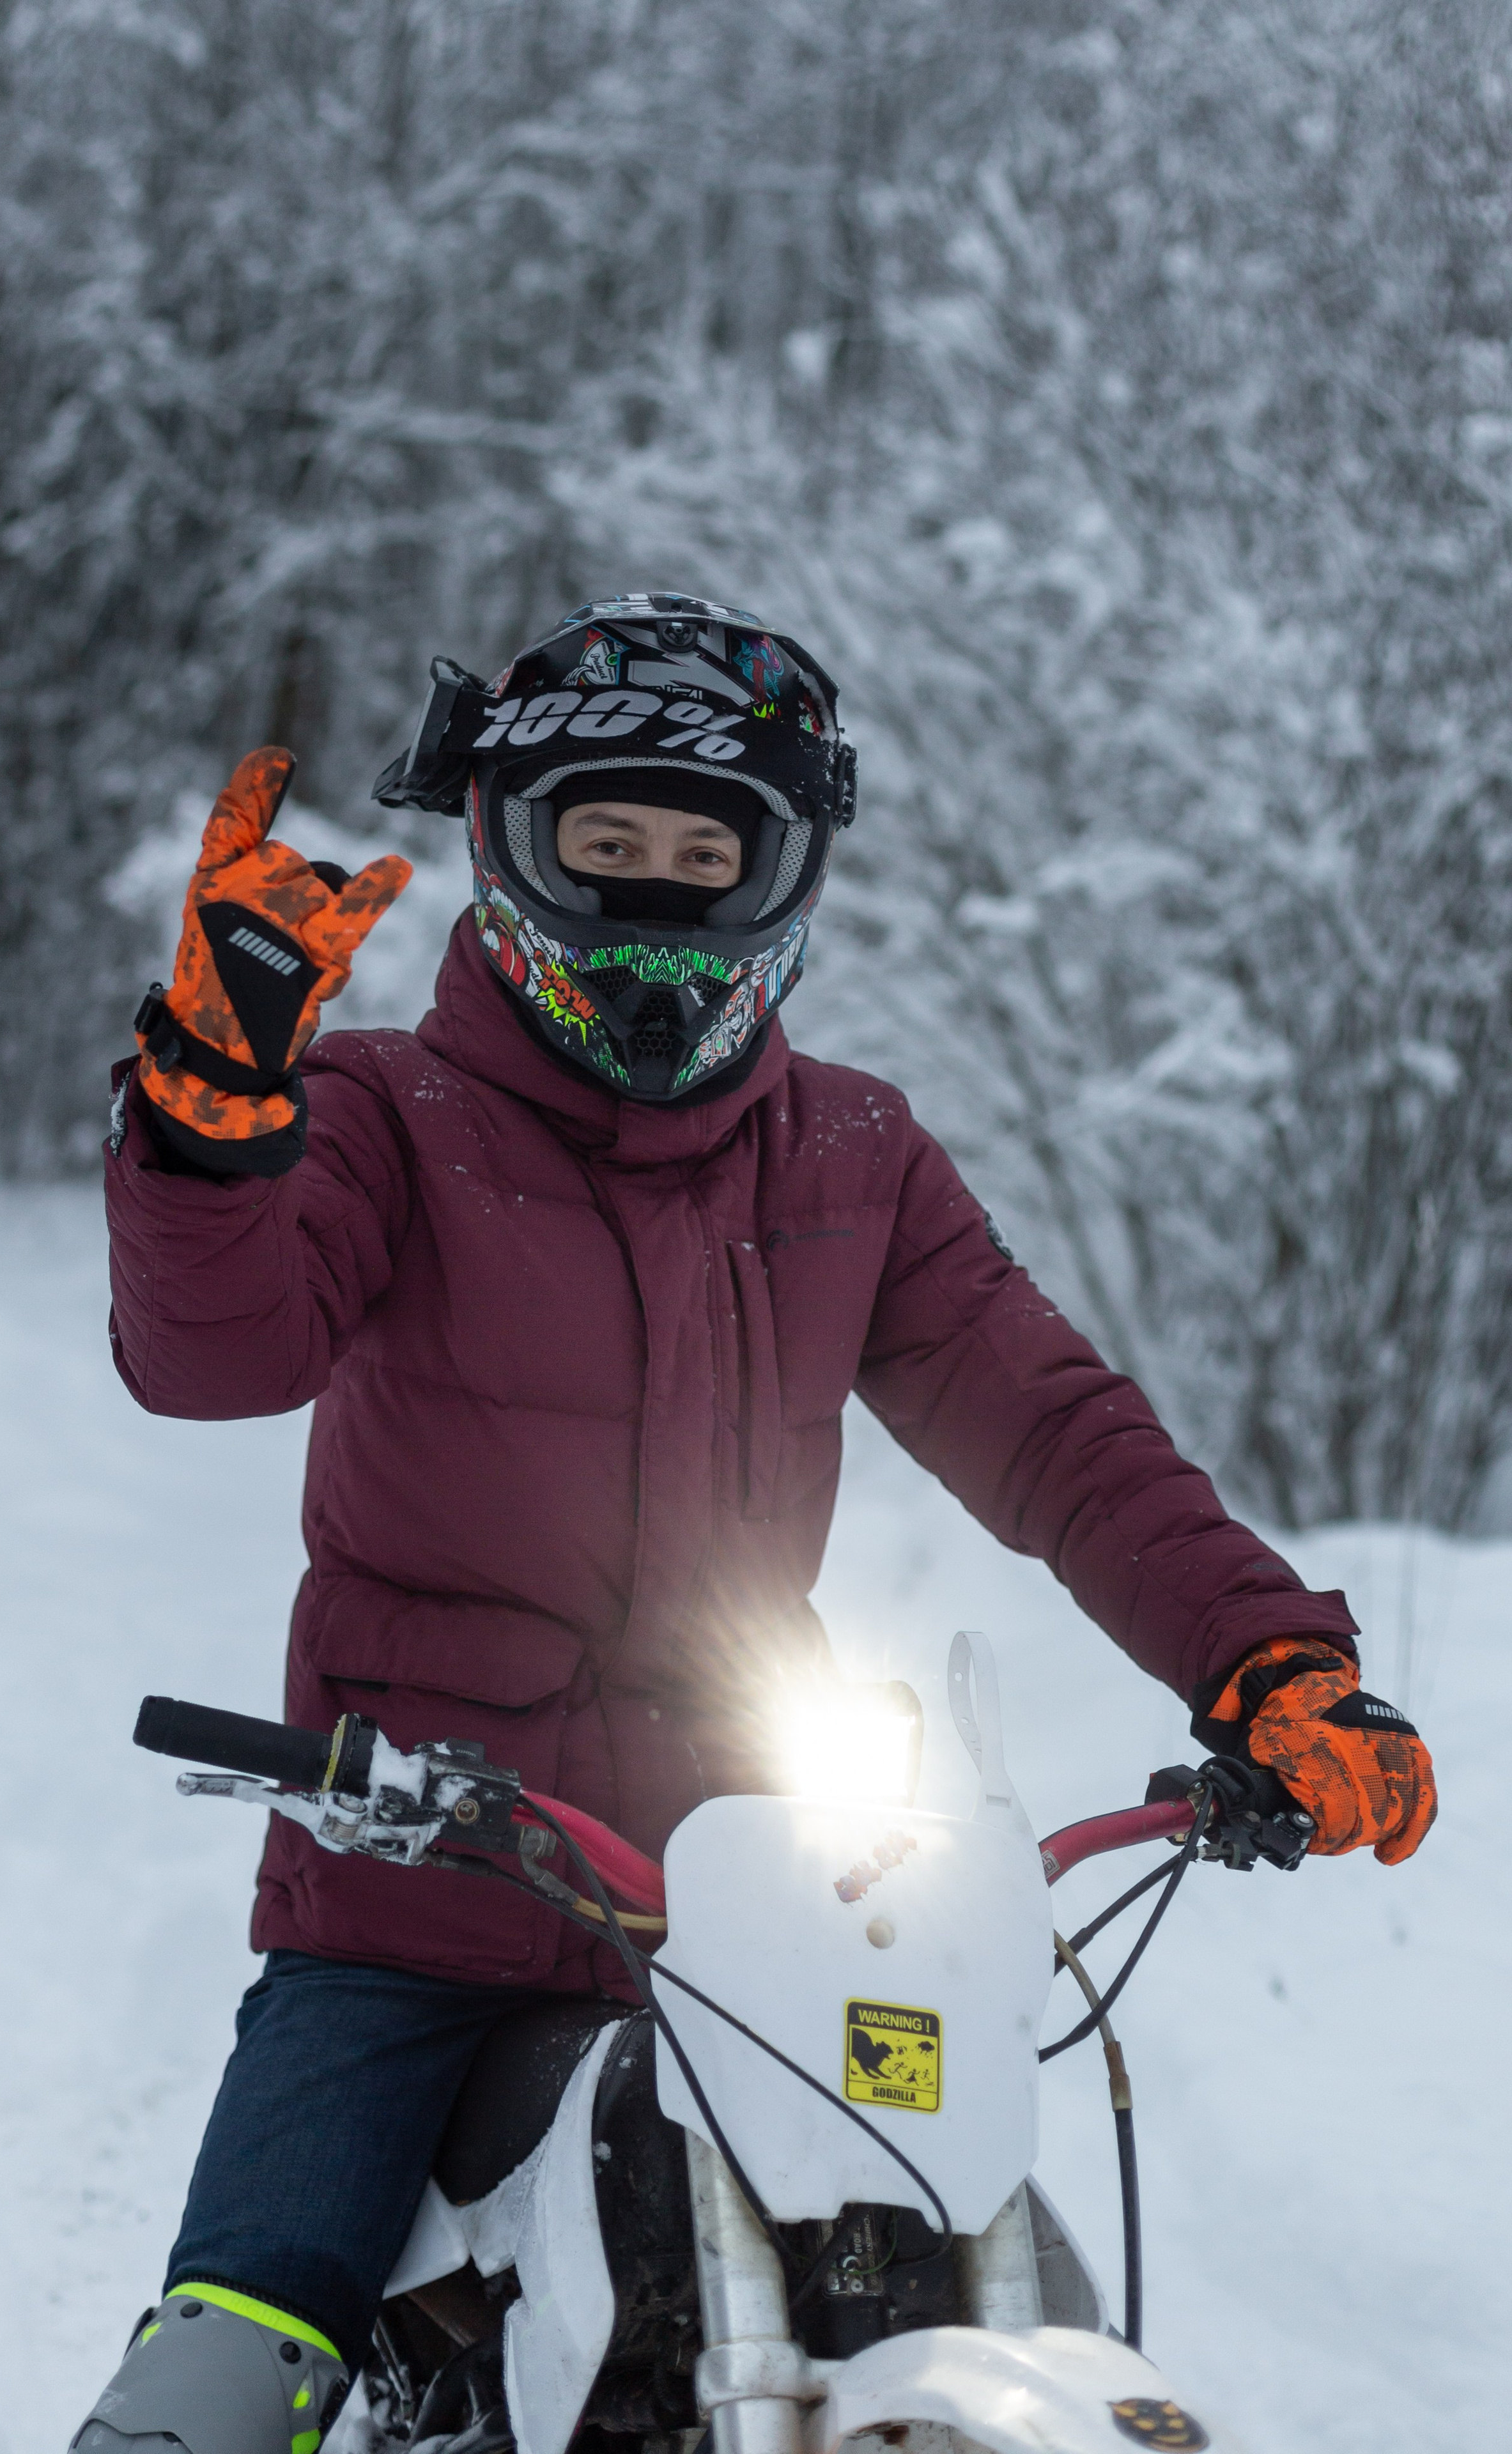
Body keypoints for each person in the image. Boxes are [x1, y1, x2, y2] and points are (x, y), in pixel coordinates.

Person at [76, 592, 1435, 2454]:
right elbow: (208, 1351)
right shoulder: (388, 1115)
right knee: (231, 2371)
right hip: (410, 1895)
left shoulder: (854, 1160)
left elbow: (1057, 1430)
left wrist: (1268, 1658)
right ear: (506, 848)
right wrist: (216, 1114)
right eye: (603, 844)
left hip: (760, 1908)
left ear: (783, 876)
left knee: (1011, 2268)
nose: (650, 894)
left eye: (703, 854)